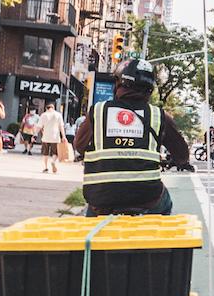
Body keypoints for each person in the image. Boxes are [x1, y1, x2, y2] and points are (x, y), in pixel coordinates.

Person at [73, 59, 190, 215]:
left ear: (118, 83)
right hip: (147, 199)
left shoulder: (97, 112)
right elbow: (182, 156)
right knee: (165, 203)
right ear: (150, 89)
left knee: (93, 228)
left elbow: (79, 146)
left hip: (101, 200)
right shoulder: (159, 116)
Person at [38, 101, 66, 173]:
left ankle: (46, 167)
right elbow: (61, 126)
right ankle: (53, 161)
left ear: (46, 108)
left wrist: (34, 135)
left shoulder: (44, 115)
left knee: (45, 153)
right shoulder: (58, 115)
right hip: (55, 137)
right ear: (53, 108)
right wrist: (63, 136)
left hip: (46, 137)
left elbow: (39, 126)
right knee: (55, 152)